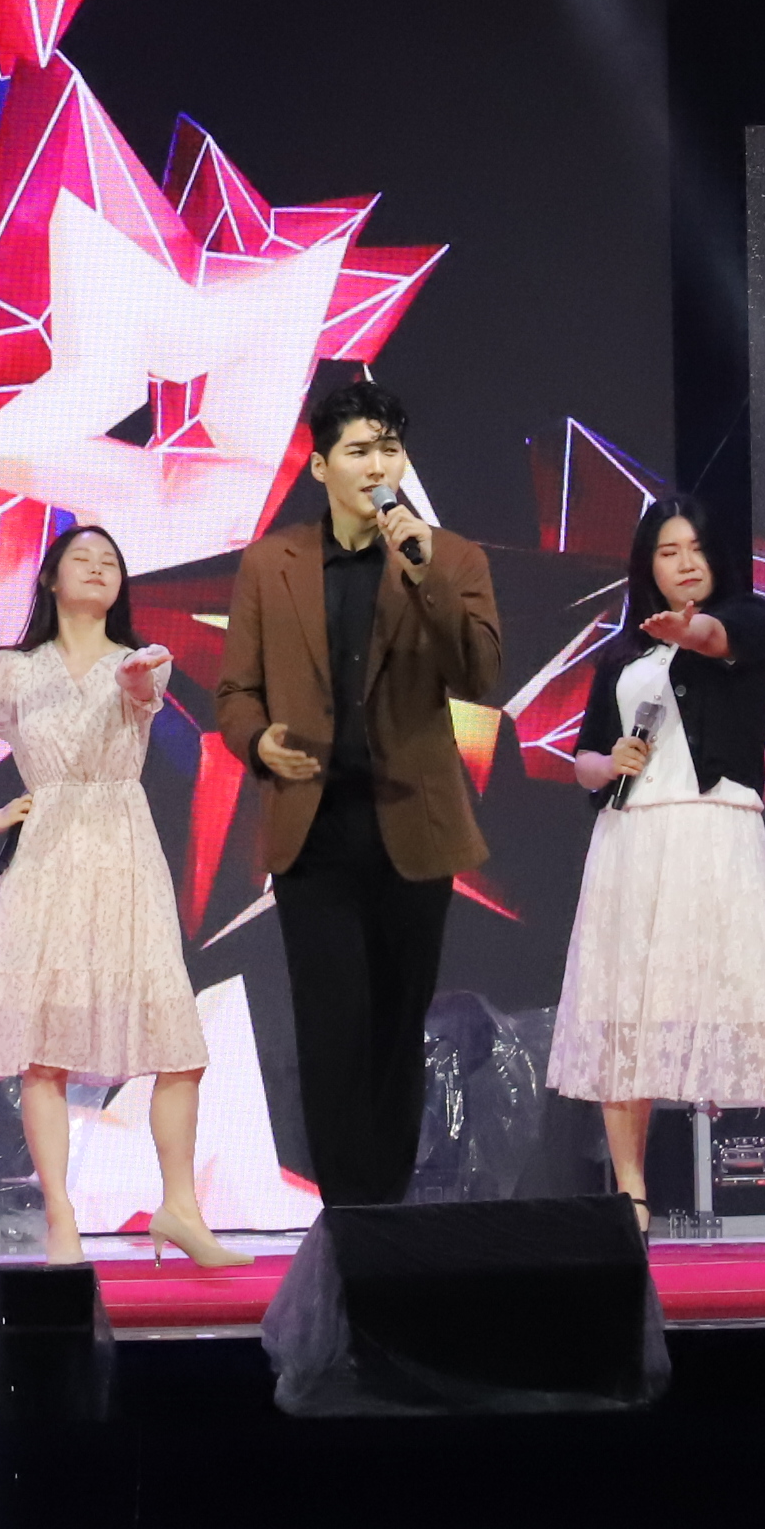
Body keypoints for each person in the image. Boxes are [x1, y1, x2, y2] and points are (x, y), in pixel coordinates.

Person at [0, 524, 251, 1268]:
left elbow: (144, 690)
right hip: (47, 858)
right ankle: (61, 1220)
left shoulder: (142, 660)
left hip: (125, 851)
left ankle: (180, 1207)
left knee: (177, 1042)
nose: (99, 569)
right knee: (46, 1051)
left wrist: (139, 680)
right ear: (50, 579)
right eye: (83, 559)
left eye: (111, 562)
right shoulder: (13, 670)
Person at [214, 375, 503, 1208]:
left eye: (390, 449)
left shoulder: (451, 558)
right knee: (331, 1025)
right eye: (359, 451)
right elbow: (236, 693)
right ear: (320, 467)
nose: (378, 466)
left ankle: (386, 1209)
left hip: (413, 825)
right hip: (315, 828)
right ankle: (347, 1213)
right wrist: (258, 741)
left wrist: (424, 571)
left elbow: (478, 675)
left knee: (395, 1026)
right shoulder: (272, 564)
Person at [550, 494, 765, 1250]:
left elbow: (714, 637)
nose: (684, 562)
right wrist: (607, 763)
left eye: (695, 549)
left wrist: (687, 631)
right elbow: (584, 756)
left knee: (758, 1004)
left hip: (715, 833)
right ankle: (631, 1197)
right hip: (632, 839)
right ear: (647, 565)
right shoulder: (620, 656)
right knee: (626, 1012)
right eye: (668, 551)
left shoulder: (747, 620)